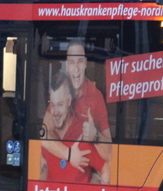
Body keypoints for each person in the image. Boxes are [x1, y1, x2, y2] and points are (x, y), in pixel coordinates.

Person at [41, 39, 112, 179]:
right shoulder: (61, 88)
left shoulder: (96, 96)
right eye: (72, 63)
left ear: (85, 63)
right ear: (67, 66)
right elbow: (44, 135)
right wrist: (69, 155)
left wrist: (95, 137)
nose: (76, 68)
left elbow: (108, 154)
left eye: (80, 61)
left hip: (81, 178)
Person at [40, 73, 109, 184]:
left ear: (69, 100)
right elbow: (44, 166)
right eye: (52, 105)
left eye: (60, 104)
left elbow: (104, 168)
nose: (55, 112)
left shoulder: (82, 135)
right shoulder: (49, 138)